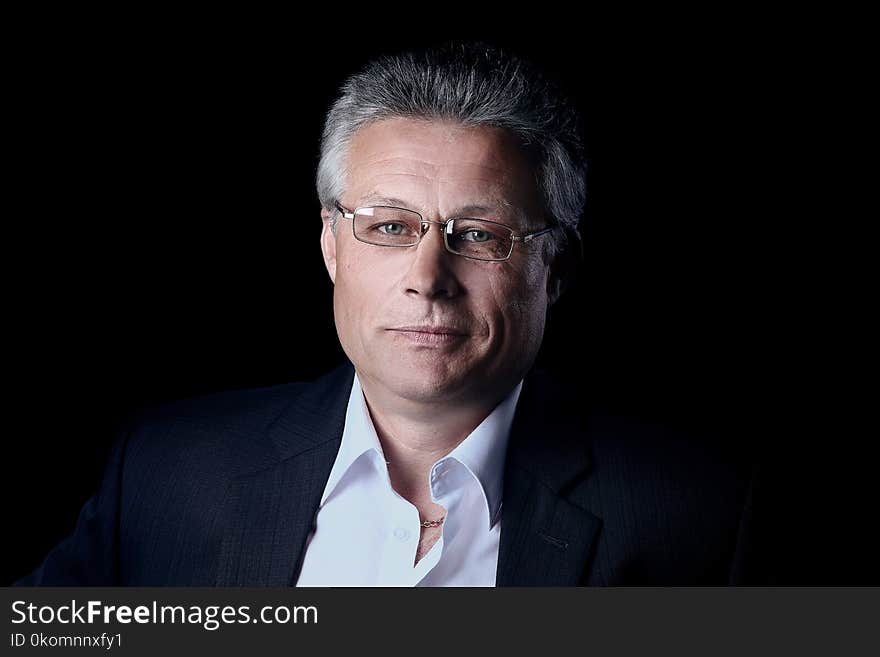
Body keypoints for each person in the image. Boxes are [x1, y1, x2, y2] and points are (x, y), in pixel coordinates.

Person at [17, 42, 765, 586]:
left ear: (555, 268)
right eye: (388, 225)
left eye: (479, 235)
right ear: (331, 244)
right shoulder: (168, 472)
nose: (428, 279)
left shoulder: (696, 516)